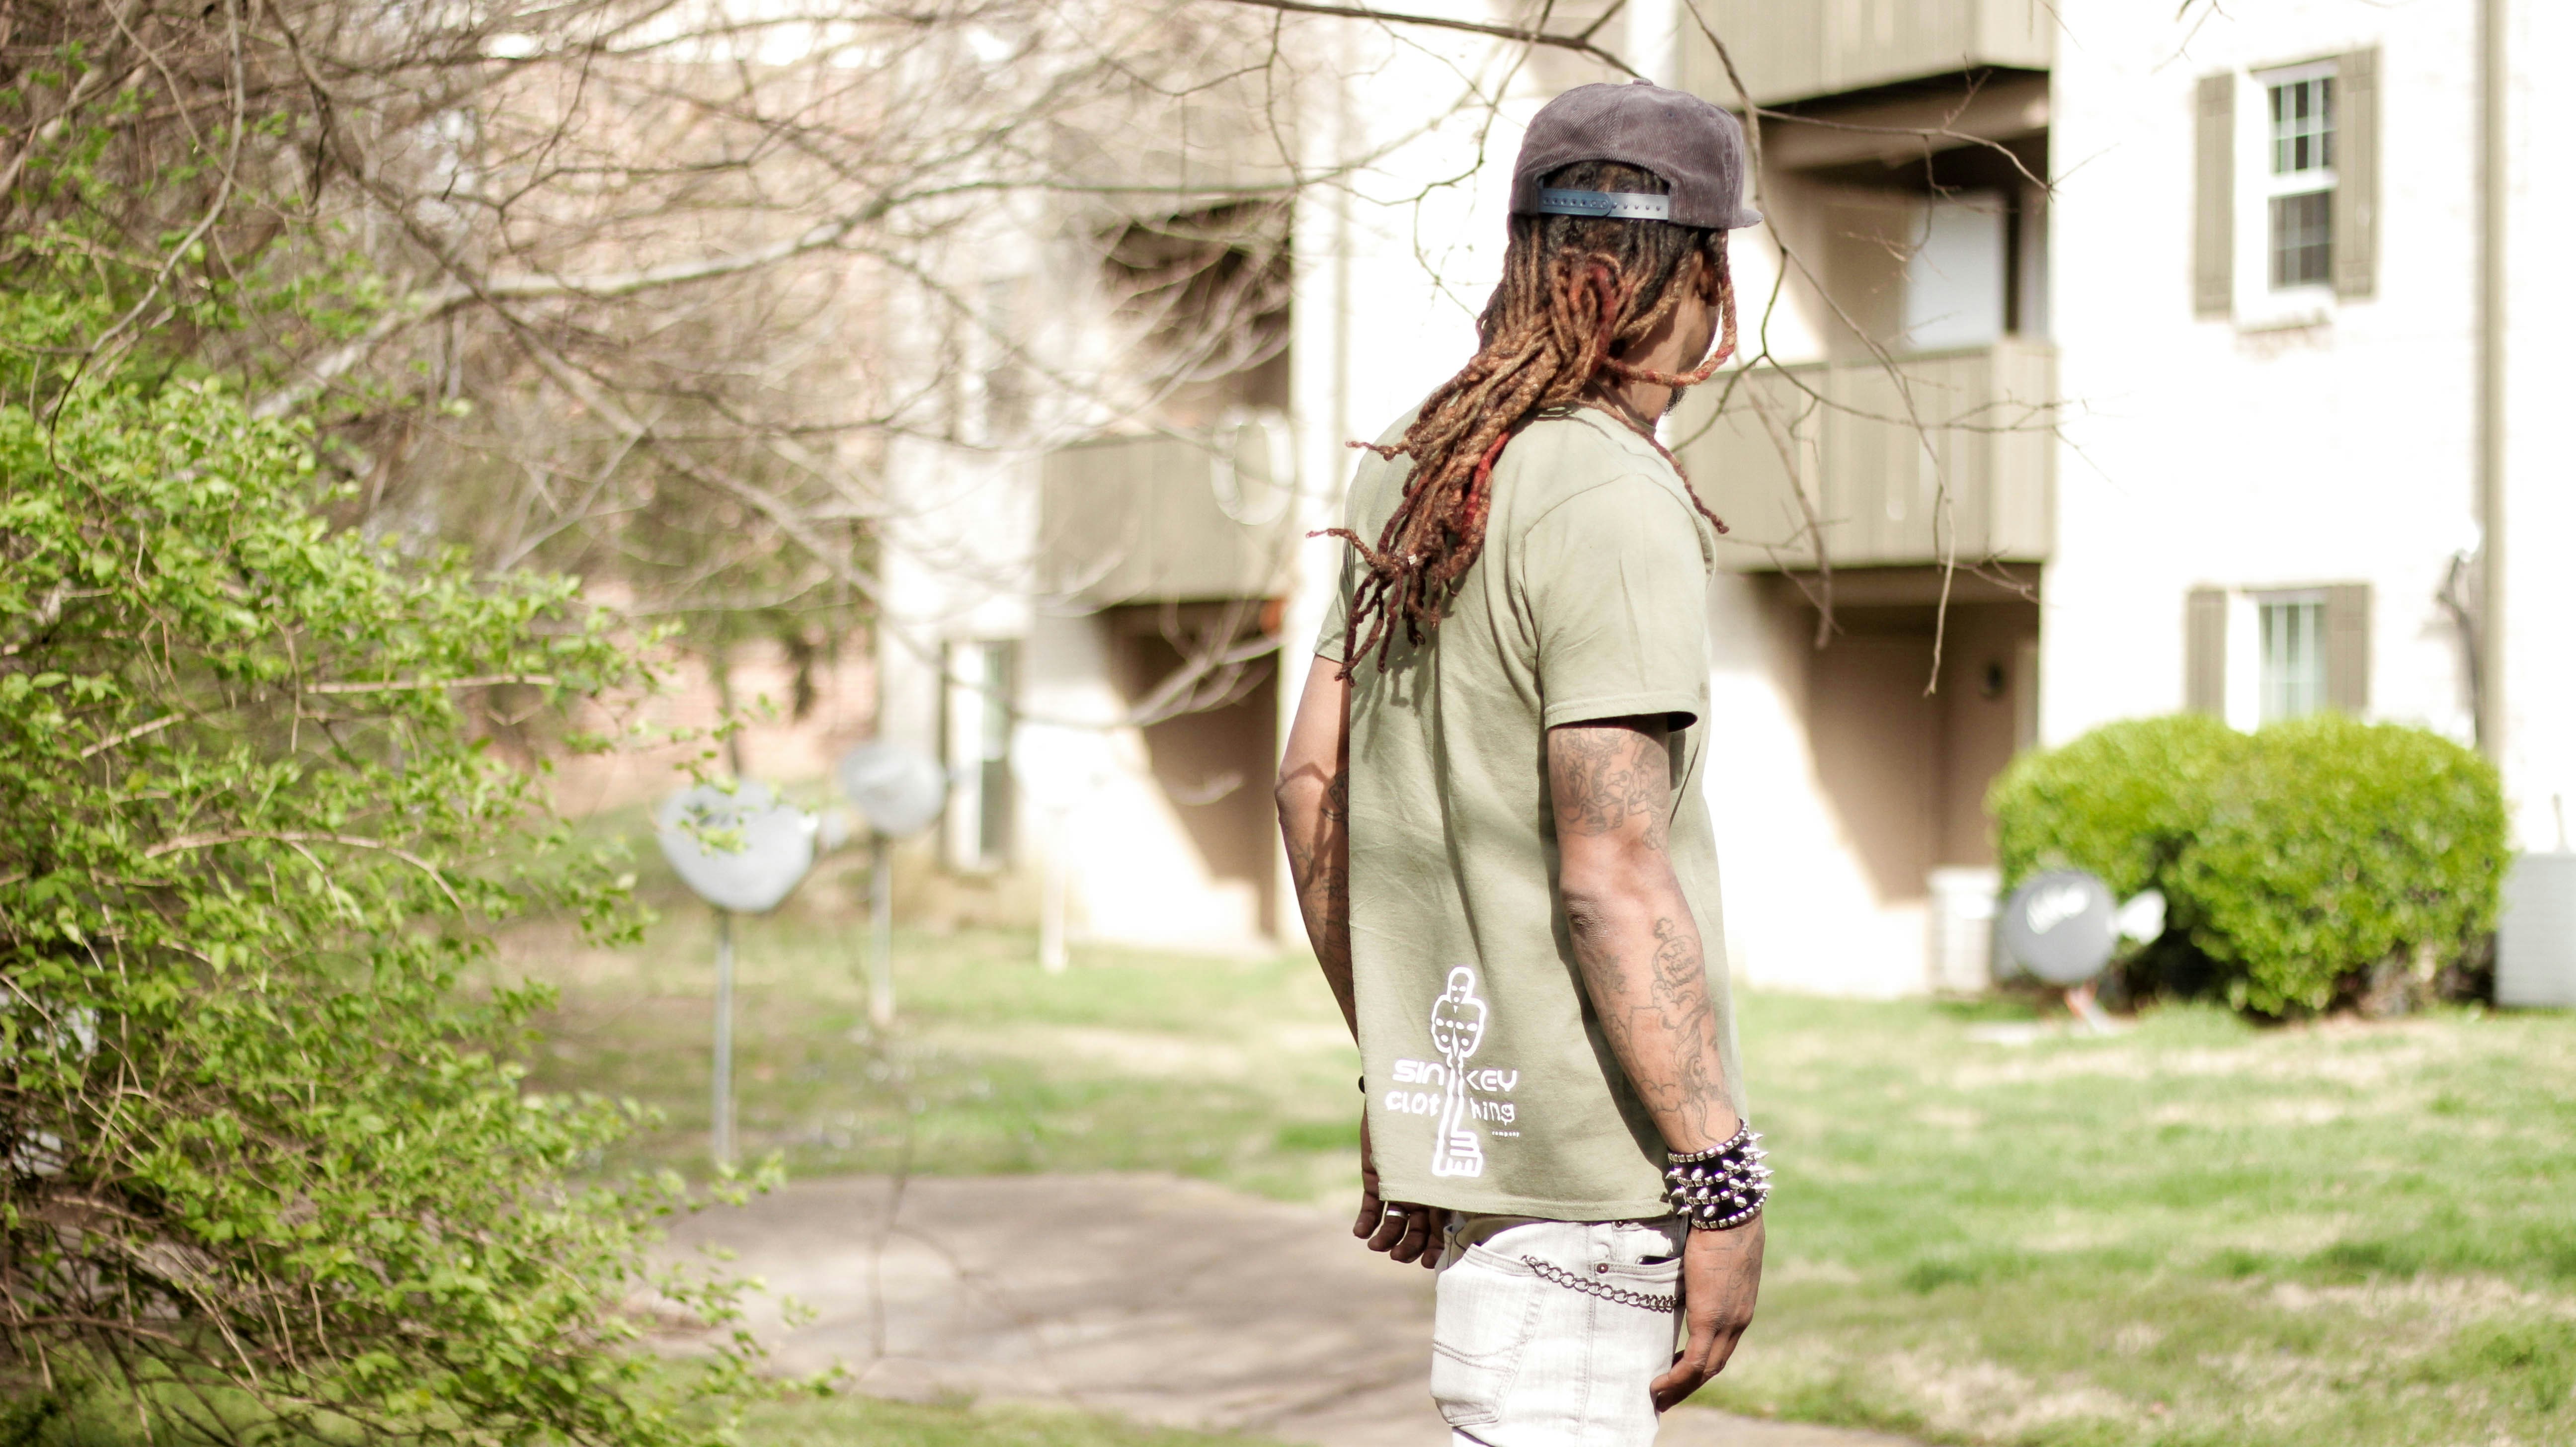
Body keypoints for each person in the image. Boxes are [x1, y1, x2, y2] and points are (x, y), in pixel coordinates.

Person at [1274, 80, 1770, 1447]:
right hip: (1597, 1204)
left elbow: (1309, 785)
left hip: (1476, 1161)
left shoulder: (1418, 478)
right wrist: (1722, 1181)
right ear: (1698, 275)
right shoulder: (1614, 495)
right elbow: (1613, 874)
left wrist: (1412, 1083)